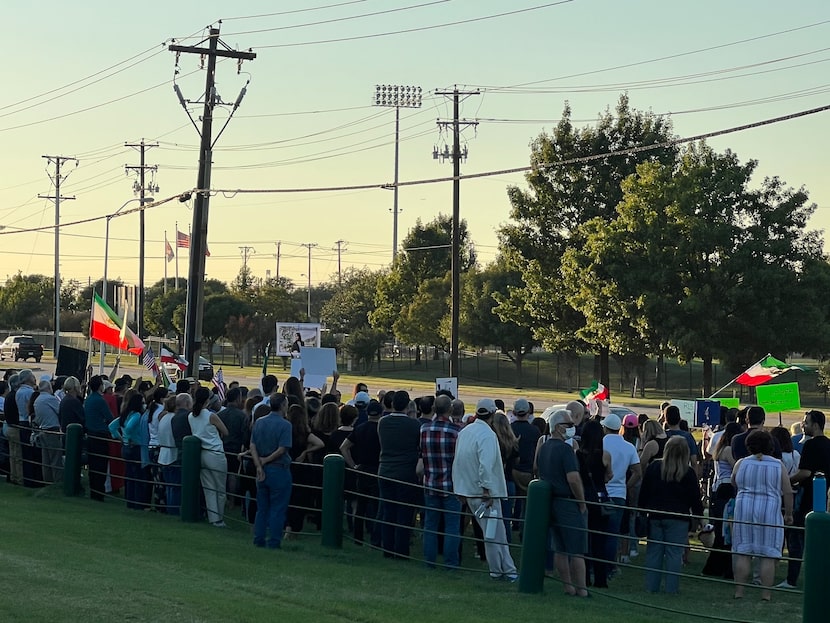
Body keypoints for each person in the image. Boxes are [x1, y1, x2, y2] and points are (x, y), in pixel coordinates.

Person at [452, 398, 518, 582]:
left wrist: (460, 488)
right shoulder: (487, 435)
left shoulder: (465, 432)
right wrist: (488, 490)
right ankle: (502, 571)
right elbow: (486, 466)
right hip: (483, 492)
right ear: (492, 413)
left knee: (494, 534)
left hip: (469, 490)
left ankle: (503, 570)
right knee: (496, 535)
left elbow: (459, 461)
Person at [732, 429, 793, 601]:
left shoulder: (741, 463)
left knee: (743, 551)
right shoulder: (777, 465)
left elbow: (733, 481)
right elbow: (788, 491)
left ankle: (739, 592)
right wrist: (788, 514)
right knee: (768, 553)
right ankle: (766, 594)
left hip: (744, 508)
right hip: (769, 510)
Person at [638, 436, 704, 594]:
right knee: (674, 554)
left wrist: (641, 511)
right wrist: (698, 516)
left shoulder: (654, 467)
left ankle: (651, 587)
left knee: (654, 552)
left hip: (655, 515)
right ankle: (671, 589)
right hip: (678, 518)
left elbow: (644, 491)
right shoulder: (687, 473)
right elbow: (695, 498)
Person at [538, 409, 589, 597]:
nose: (572, 428)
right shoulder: (565, 449)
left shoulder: (544, 447)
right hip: (567, 502)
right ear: (559, 427)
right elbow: (573, 478)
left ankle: (567, 586)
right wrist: (581, 502)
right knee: (576, 549)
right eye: (569, 425)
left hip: (550, 502)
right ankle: (582, 589)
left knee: (560, 548)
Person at [786, 409, 830, 589]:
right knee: (817, 540)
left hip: (806, 496)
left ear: (816, 425)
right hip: (822, 496)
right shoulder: (829, 444)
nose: (803, 425)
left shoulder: (811, 445)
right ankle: (818, 579)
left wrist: (786, 481)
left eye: (806, 422)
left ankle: (791, 580)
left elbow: (805, 472)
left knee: (796, 538)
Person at [377, 390, 422, 559]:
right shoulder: (414, 425)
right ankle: (401, 551)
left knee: (388, 512)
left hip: (386, 470)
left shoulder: (382, 422)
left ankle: (387, 549)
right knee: (404, 513)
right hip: (405, 472)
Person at [420, 394, 461, 568]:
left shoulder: (424, 429)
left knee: (430, 525)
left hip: (430, 482)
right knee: (452, 526)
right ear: (450, 409)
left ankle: (429, 562)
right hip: (451, 485)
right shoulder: (456, 431)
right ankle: (450, 563)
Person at [249, 392, 293, 548]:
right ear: (282, 405)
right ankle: (274, 541)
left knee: (262, 508)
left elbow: (252, 445)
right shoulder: (285, 425)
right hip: (279, 469)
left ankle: (258, 538)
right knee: (278, 508)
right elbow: (282, 449)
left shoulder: (259, 422)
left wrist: (259, 465)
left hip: (262, 470)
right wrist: (266, 460)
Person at [601, 413, 641, 572]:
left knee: (598, 531)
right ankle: (611, 566)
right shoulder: (629, 447)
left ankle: (597, 564)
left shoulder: (600, 444)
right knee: (613, 533)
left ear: (605, 428)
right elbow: (638, 471)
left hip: (602, 492)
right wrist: (626, 485)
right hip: (619, 494)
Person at [341, 399, 383, 546]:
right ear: (381, 413)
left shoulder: (359, 428)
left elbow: (344, 447)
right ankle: (376, 537)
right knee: (377, 506)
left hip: (362, 469)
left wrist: (353, 465)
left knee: (361, 506)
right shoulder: (382, 430)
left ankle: (358, 538)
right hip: (378, 469)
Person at [701, 422, 741, 578]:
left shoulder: (719, 448)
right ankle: (721, 567)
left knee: (721, 530)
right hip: (727, 488)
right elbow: (736, 467)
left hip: (718, 488)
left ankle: (715, 567)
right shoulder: (729, 450)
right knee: (726, 530)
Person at [577, 419, 613, 589]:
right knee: (600, 541)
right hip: (599, 496)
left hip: (583, 496)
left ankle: (584, 578)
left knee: (584, 541)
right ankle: (601, 579)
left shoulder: (577, 454)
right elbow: (609, 476)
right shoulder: (605, 455)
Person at [188, 387, 230, 527]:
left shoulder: (191, 416)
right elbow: (225, 431)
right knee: (220, 488)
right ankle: (220, 518)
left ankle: (213, 518)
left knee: (209, 488)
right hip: (215, 453)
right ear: (208, 400)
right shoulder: (211, 415)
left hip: (202, 452)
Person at [108, 391, 145, 509]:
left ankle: (130, 501)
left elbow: (112, 426)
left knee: (129, 475)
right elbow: (129, 428)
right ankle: (137, 503)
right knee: (138, 477)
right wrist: (128, 438)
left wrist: (120, 438)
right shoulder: (137, 416)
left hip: (125, 447)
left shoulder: (125, 415)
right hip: (135, 447)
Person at [218, 387, 250, 508]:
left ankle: (222, 499)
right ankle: (232, 501)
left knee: (221, 475)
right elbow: (244, 434)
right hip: (235, 449)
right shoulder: (242, 416)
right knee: (232, 475)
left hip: (221, 447)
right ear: (238, 398)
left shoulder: (220, 414)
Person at [510, 398, 539, 528]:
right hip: (528, 470)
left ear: (515, 412)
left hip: (512, 469)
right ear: (528, 411)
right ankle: (523, 524)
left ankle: (514, 522)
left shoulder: (509, 429)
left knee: (513, 498)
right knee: (525, 501)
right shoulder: (534, 431)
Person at [84, 375, 114, 501]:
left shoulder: (89, 399)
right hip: (100, 435)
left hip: (90, 434)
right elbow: (110, 417)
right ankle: (99, 493)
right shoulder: (100, 400)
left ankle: (93, 491)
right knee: (101, 465)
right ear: (100, 386)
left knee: (93, 466)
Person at [33, 379, 63, 483]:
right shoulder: (50, 399)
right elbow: (60, 410)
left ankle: (47, 482)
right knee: (56, 459)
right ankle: (57, 482)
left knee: (46, 461)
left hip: (43, 430)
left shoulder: (38, 400)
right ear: (49, 388)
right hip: (52, 431)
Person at [157, 395, 183, 515]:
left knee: (169, 486)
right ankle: (173, 510)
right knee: (175, 487)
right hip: (172, 455)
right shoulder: (174, 418)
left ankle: (169, 507)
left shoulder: (164, 417)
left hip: (163, 455)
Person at [663, 405, 700, 477]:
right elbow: (694, 461)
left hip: (665, 474)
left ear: (666, 419)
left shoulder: (662, 436)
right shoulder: (688, 437)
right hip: (683, 473)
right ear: (679, 419)